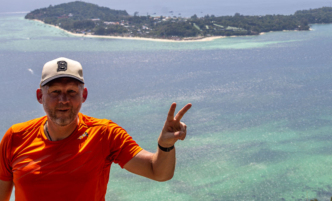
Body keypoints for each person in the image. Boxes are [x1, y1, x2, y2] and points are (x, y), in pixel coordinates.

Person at [0, 57, 191, 201]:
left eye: (72, 92)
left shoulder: (105, 134)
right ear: (40, 96)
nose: (63, 100)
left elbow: (158, 172)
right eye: (55, 91)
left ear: (84, 95)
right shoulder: (16, 137)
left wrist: (165, 145)